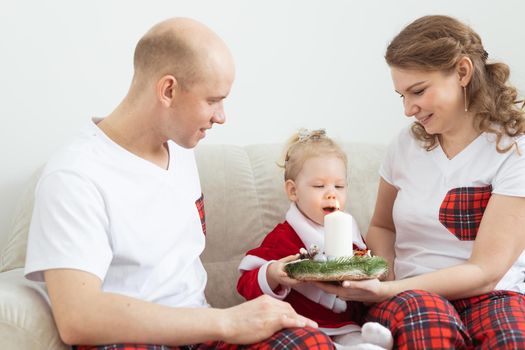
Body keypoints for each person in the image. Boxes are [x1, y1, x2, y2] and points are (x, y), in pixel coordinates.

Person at [24, 18, 335, 350]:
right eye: (213, 100)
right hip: (131, 342)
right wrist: (228, 321)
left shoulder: (181, 149)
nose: (221, 116)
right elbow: (78, 318)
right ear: (168, 90)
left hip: (200, 335)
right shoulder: (75, 175)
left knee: (308, 341)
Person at [315, 15, 525, 349]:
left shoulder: (514, 149)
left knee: (512, 337)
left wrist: (385, 290)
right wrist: (385, 279)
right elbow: (383, 226)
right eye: (401, 95)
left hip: (493, 293)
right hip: (410, 294)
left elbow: (487, 270)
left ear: (462, 72)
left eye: (418, 91)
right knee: (430, 329)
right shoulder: (405, 145)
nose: (408, 109)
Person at [237, 129, 393, 350]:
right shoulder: (284, 236)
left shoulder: (349, 231)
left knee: (354, 337)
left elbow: (364, 265)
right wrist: (273, 273)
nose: (332, 194)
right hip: (302, 326)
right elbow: (246, 283)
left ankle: (370, 343)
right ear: (293, 191)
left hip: (346, 324)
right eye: (319, 186)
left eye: (339, 186)